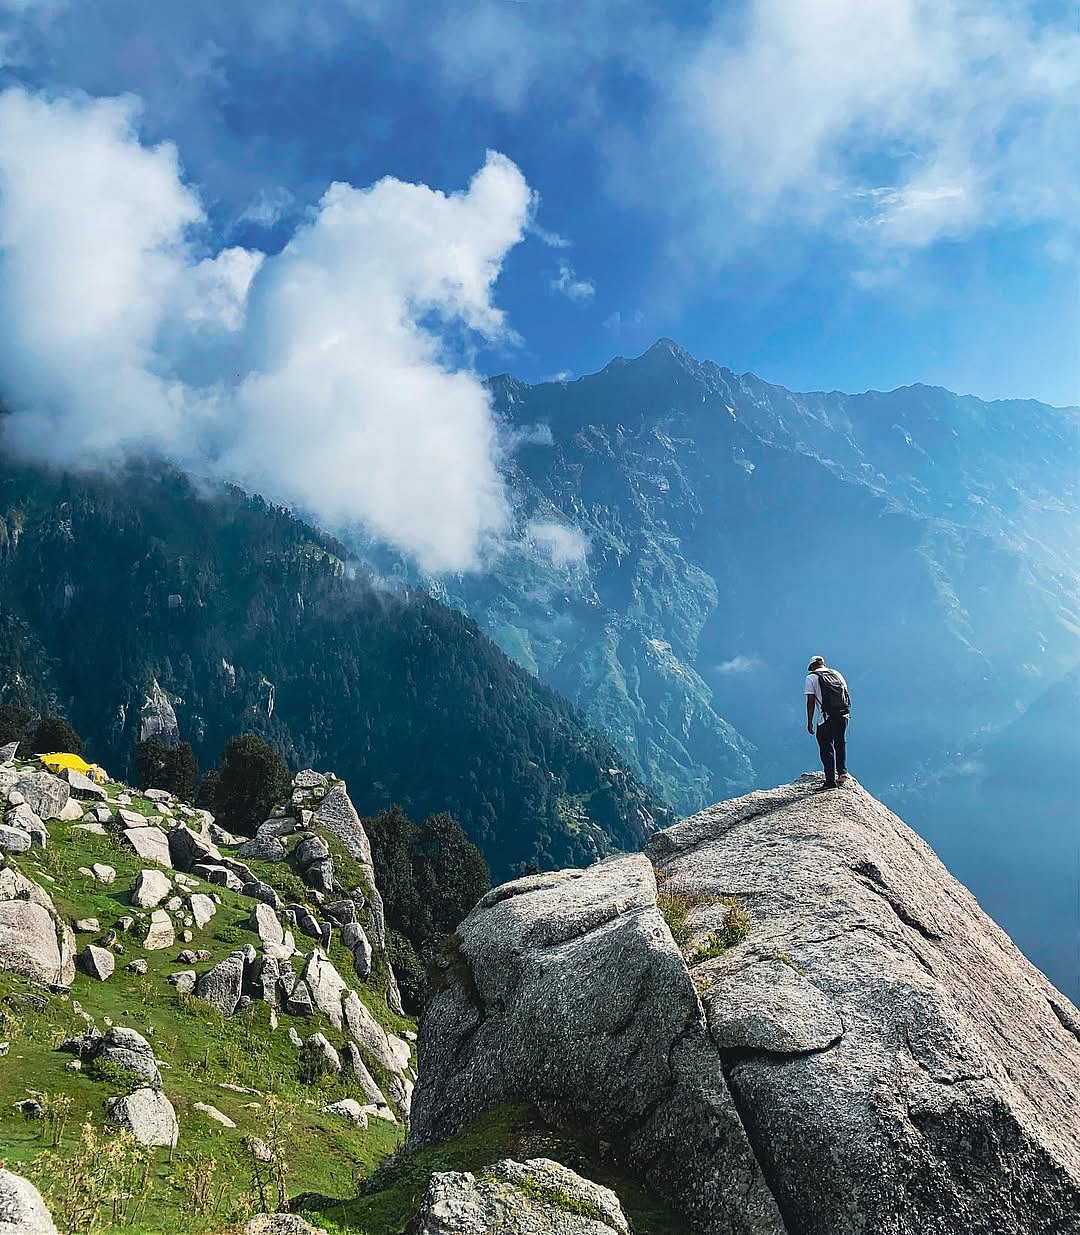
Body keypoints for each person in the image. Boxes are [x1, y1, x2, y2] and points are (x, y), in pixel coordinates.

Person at [805, 655, 851, 791]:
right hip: (843, 715)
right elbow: (846, 694)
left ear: (812, 666)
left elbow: (810, 701)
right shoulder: (837, 674)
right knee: (840, 742)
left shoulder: (811, 678)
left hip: (826, 717)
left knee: (826, 748)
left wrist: (810, 722)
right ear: (823, 664)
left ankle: (830, 781)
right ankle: (842, 773)